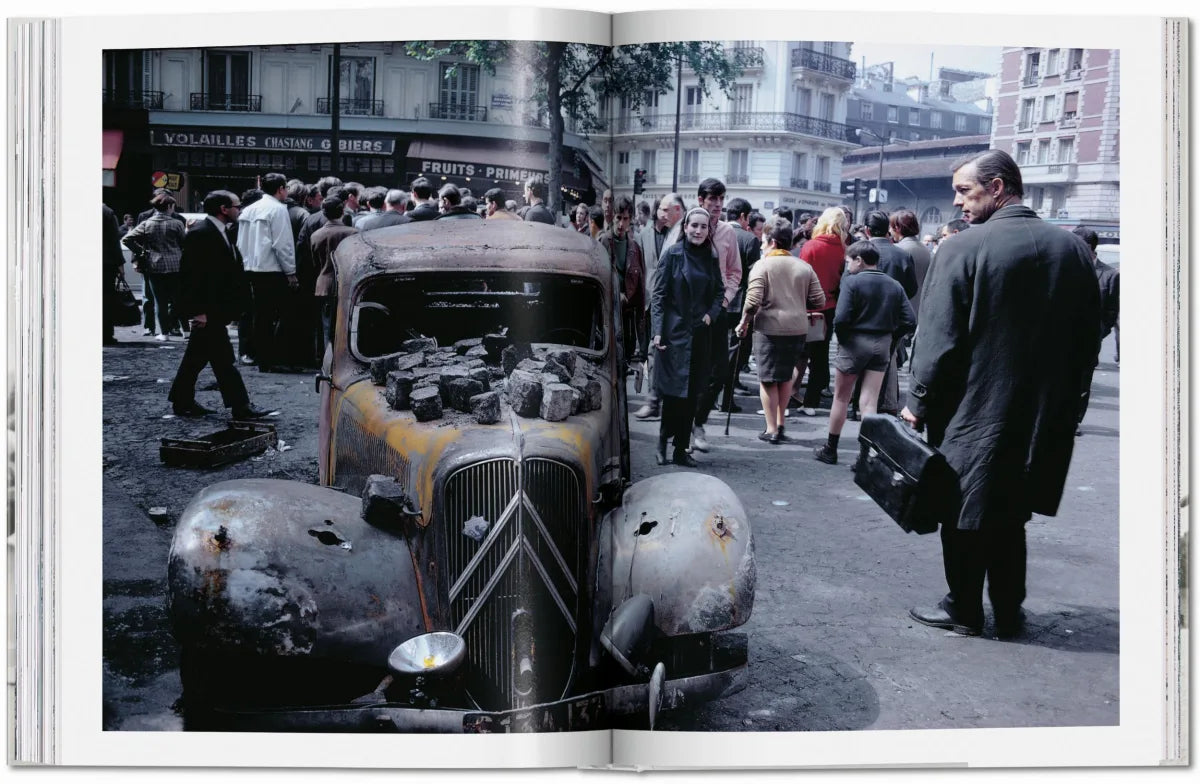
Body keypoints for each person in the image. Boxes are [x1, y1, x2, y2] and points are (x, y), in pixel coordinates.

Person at [903, 150, 1101, 639]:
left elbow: (938, 339)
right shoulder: (1073, 251)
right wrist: (1072, 403)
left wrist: (917, 401)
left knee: (962, 510)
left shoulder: (963, 248)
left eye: (964, 191)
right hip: (1042, 414)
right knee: (1011, 513)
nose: (957, 201)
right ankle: (1009, 610)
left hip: (972, 409)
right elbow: (1088, 339)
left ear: (996, 188)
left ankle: (964, 607)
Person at [167, 190, 270, 420]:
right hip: (208, 310)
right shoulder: (202, 233)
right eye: (236, 205)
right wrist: (197, 311)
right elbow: (191, 275)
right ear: (224, 209)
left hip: (216, 309)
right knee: (224, 361)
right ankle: (240, 406)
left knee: (196, 359)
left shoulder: (219, 232)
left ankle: (182, 400)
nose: (239, 209)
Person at [812, 240, 915, 465]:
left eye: (849, 261)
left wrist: (846, 339)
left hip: (855, 342)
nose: (847, 265)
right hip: (882, 344)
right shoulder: (894, 285)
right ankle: (864, 455)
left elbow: (841, 318)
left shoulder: (852, 282)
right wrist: (892, 337)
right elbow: (910, 320)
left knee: (841, 397)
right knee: (869, 402)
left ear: (859, 260)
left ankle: (831, 449)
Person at [735, 217, 823, 444]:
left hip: (769, 329)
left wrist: (744, 322)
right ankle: (780, 423)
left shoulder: (761, 266)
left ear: (772, 241)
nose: (762, 243)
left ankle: (771, 428)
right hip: (797, 329)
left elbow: (752, 301)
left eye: (764, 239)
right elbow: (819, 299)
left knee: (767, 380)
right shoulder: (804, 267)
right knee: (785, 378)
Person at [650, 207, 723, 467]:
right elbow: (658, 295)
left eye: (703, 227)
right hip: (673, 334)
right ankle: (662, 441)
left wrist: (710, 315)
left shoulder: (711, 257)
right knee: (672, 394)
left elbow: (719, 292)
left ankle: (681, 449)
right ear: (685, 227)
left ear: (708, 230)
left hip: (700, 336)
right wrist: (657, 331)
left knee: (692, 395)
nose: (698, 231)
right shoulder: (672, 254)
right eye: (694, 225)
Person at [236, 172, 298, 374]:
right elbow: (283, 244)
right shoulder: (278, 210)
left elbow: (240, 242)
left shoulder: (249, 210)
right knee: (278, 316)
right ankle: (272, 358)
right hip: (272, 270)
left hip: (249, 268)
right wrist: (291, 272)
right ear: (281, 189)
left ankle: (256, 355)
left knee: (258, 316)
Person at [634, 192, 685, 420]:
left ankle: (665, 403)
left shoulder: (681, 232)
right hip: (653, 298)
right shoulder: (647, 234)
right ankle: (655, 400)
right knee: (654, 350)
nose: (662, 214)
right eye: (660, 210)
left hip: (674, 304)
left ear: (676, 210)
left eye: (666, 210)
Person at [794, 206, 849, 416]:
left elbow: (801, 276)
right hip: (829, 307)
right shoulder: (844, 249)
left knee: (797, 353)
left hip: (805, 305)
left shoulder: (810, 246)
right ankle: (811, 401)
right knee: (820, 355)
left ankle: (789, 395)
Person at [1070, 226, 1120, 431]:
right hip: (1060, 335)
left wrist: (1100, 331)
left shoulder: (1110, 275)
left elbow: (1111, 310)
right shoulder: (1066, 267)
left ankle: (1074, 421)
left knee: (1082, 381)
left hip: (1089, 338)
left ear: (1088, 247)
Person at [122, 191, 187, 340]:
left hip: (154, 264)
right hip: (175, 265)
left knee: (159, 301)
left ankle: (164, 333)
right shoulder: (176, 223)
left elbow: (127, 239)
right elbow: (184, 243)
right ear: (169, 206)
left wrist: (142, 251)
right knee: (177, 299)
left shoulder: (147, 223)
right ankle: (179, 328)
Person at [717, 197, 761, 414]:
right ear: (743, 216)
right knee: (732, 353)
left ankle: (711, 396)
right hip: (737, 304)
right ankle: (725, 400)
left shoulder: (717, 232)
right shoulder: (750, 240)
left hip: (715, 301)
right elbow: (754, 278)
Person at [598, 196, 645, 362]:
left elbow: (640, 291)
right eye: (618, 218)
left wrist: (642, 341)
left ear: (630, 220)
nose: (621, 224)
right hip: (607, 317)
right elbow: (599, 278)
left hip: (626, 320)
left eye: (625, 219)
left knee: (624, 365)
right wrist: (616, 294)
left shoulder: (635, 248)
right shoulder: (603, 241)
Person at [311, 197, 359, 352]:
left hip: (324, 284)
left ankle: (327, 361)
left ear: (323, 212)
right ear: (342, 211)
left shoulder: (316, 235)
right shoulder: (353, 233)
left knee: (326, 327)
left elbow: (315, 263)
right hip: (347, 284)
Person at [102, 204, 126, 345]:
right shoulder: (107, 212)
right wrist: (120, 264)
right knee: (106, 300)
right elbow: (114, 240)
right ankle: (105, 334)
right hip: (106, 263)